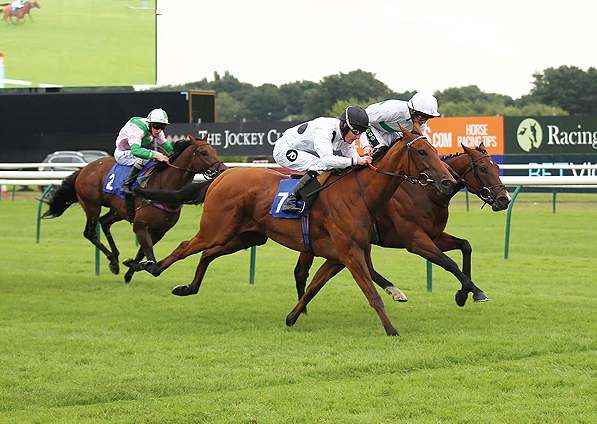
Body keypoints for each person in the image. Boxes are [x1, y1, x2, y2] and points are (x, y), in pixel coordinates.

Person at [273, 106, 373, 214]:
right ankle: (291, 201)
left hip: (305, 150)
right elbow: (328, 160)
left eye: (361, 133)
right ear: (345, 126)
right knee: (321, 165)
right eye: (356, 132)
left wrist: (364, 161)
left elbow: (355, 159)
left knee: (334, 166)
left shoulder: (346, 134)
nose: (358, 137)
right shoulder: (324, 129)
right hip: (284, 149)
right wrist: (356, 161)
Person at [114, 108, 173, 196]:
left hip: (131, 151)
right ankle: (126, 186)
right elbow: (135, 151)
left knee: (160, 155)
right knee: (148, 158)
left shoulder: (155, 129)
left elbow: (166, 145)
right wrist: (156, 156)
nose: (159, 130)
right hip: (122, 153)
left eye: (162, 127)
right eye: (157, 126)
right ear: (149, 123)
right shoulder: (137, 129)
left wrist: (177, 154)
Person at [358, 92, 440, 152]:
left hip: (388, 132)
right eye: (421, 117)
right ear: (412, 111)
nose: (423, 122)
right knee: (381, 149)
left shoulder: (421, 122)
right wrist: (366, 145)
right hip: (368, 125)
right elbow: (359, 121)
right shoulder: (390, 111)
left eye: (428, 118)